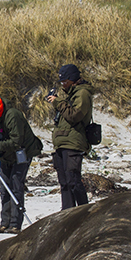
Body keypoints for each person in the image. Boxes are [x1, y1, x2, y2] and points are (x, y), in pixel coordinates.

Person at [0, 92, 43, 234]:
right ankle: (4, 223)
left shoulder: (12, 115)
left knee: (16, 185)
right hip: (5, 155)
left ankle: (15, 225)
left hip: (22, 152)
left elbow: (16, 142)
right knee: (4, 188)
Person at [46, 64, 95, 210]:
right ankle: (67, 212)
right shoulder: (71, 94)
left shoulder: (83, 94)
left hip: (73, 143)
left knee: (73, 180)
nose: (63, 85)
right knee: (65, 182)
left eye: (65, 81)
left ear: (73, 80)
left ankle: (83, 212)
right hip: (63, 142)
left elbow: (74, 116)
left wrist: (57, 102)